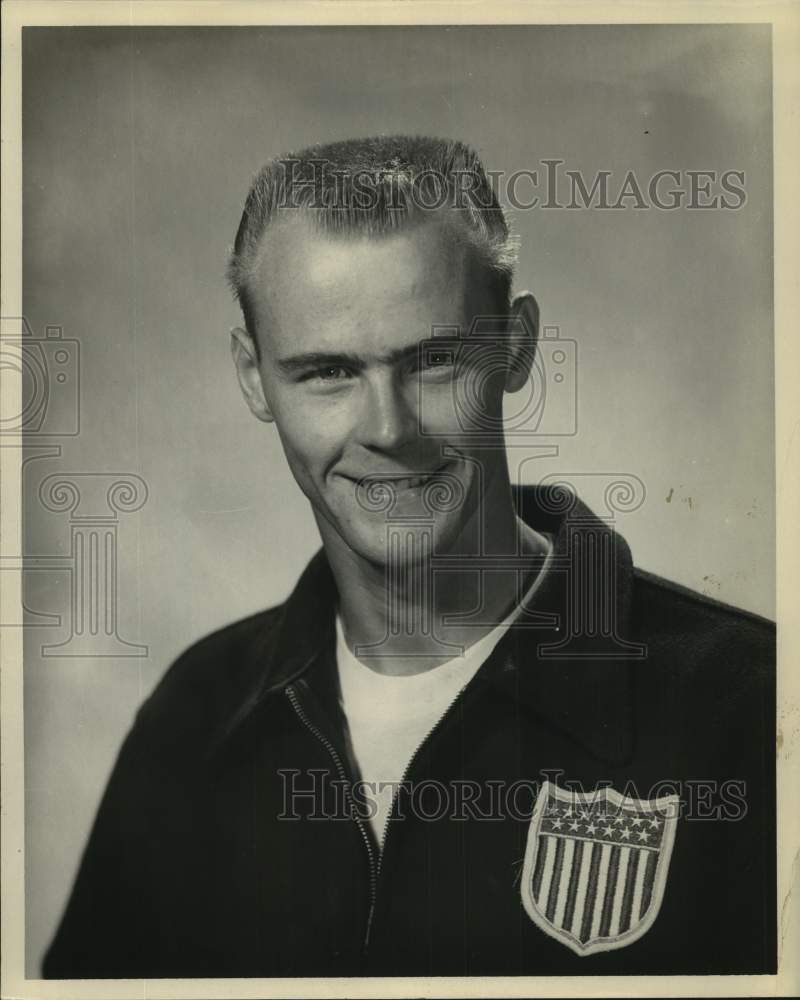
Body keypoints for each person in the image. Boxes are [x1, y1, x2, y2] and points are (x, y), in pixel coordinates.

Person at [43, 136, 775, 978]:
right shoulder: (191, 721)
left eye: (433, 362)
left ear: (517, 345)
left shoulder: (751, 712)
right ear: (254, 379)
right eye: (327, 372)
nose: (388, 429)